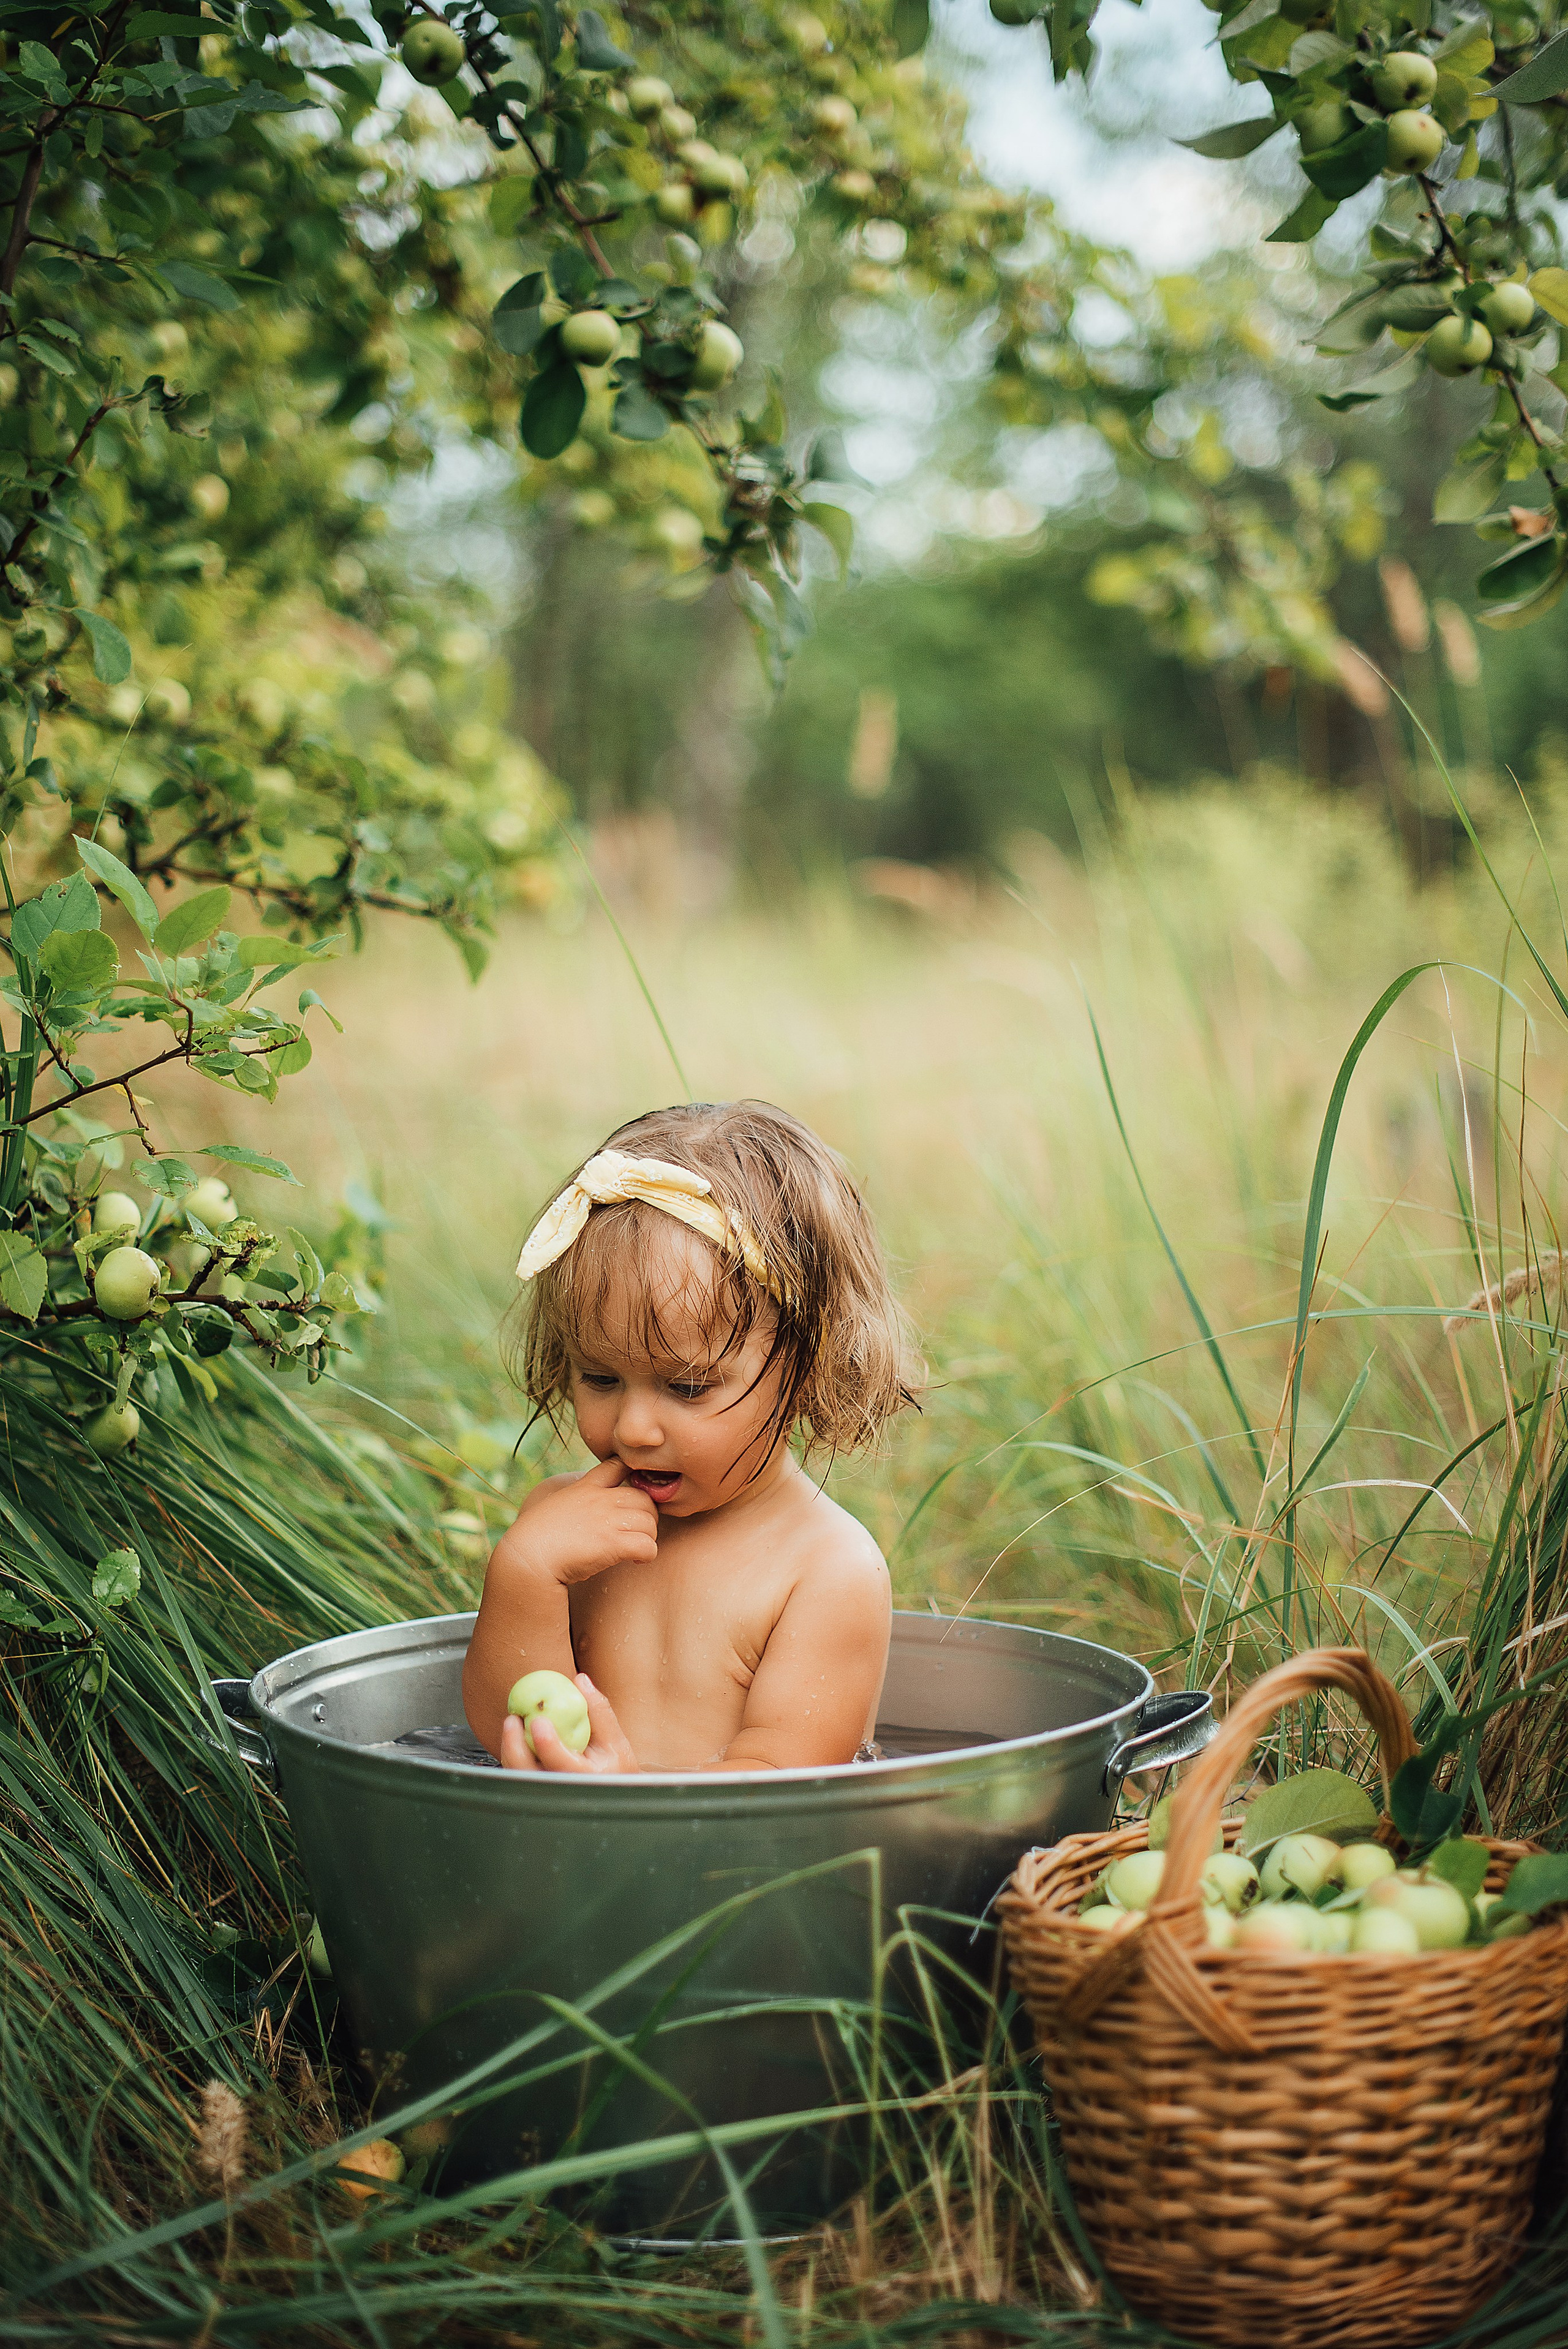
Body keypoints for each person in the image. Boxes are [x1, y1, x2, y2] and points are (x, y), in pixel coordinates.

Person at [462, 1099, 919, 1774]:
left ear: (805, 1363)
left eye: (686, 1388)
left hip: (739, 1873)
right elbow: (497, 1730)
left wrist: (626, 1802)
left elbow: (781, 1788)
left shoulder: (825, 1568)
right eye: (599, 1377)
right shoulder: (559, 1530)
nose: (632, 1429)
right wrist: (523, 1574)